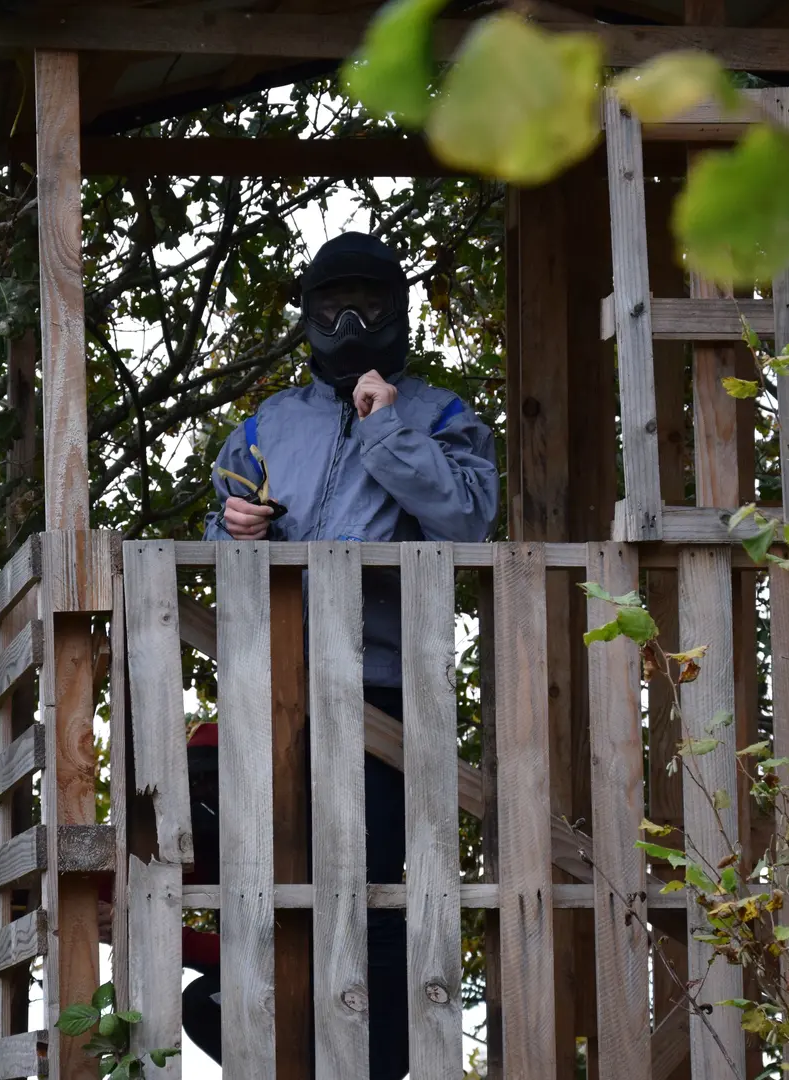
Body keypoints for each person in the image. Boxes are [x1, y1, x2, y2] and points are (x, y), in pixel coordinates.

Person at [181, 231, 498, 1078]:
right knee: (270, 886)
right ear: (309, 318)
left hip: (382, 694)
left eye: (368, 306)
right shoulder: (268, 422)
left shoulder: (437, 413)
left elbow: (467, 518)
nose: (350, 321)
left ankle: (382, 1068)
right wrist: (234, 528)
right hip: (273, 691)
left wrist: (385, 426)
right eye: (332, 307)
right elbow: (222, 521)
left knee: (379, 895)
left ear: (398, 314)